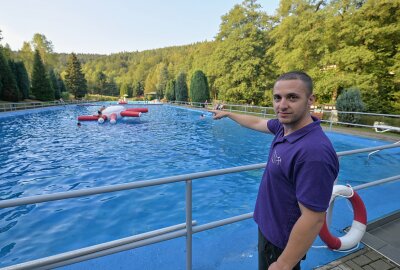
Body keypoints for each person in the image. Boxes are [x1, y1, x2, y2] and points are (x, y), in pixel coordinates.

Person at [209, 71, 339, 270]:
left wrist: (284, 264)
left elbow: (313, 218)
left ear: (310, 100)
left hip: (281, 240)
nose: (282, 105)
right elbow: (257, 122)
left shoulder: (314, 152)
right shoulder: (284, 127)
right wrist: (229, 114)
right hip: (270, 229)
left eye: (292, 97)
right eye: (277, 98)